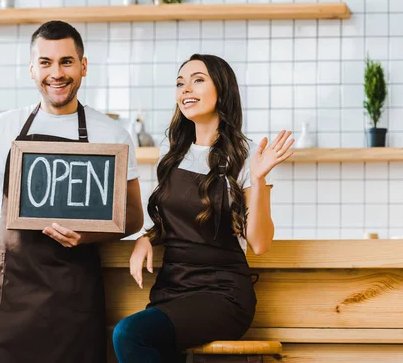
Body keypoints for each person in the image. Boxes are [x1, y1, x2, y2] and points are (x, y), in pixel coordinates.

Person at [0, 20, 144, 363]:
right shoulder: (2, 127)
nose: (56, 73)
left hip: (75, 303)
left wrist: (86, 236)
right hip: (12, 297)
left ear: (83, 66)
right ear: (32, 69)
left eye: (66, 61)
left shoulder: (111, 134)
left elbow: (133, 216)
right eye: (45, 62)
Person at [112, 54, 294, 362]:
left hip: (222, 294)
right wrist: (147, 237)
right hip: (172, 287)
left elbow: (260, 243)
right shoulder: (170, 151)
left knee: (130, 333)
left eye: (198, 80)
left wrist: (260, 178)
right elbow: (169, 216)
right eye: (180, 83)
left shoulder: (246, 155)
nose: (185, 90)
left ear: (222, 90)